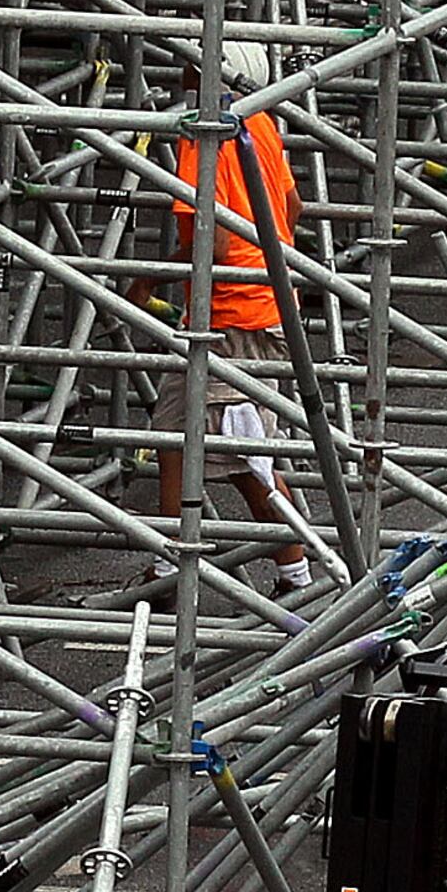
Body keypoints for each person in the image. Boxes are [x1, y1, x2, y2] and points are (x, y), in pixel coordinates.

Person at [151, 43, 322, 600]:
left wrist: (145, 282)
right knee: (174, 436)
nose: (179, 71)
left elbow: (209, 240)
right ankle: (167, 570)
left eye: (190, 64)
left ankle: (298, 575)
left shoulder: (203, 136)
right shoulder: (259, 124)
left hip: (234, 316)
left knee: (245, 454)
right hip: (257, 304)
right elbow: (293, 209)